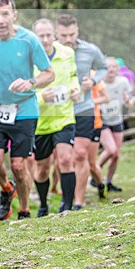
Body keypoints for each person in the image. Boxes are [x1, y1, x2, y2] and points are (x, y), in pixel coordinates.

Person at [0, 0, 54, 221]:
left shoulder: (29, 40)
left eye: (5, 14)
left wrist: (31, 82)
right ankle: (7, 189)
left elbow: (49, 73)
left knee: (18, 165)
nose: (1, 20)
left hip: (24, 109)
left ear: (14, 15)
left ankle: (24, 210)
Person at [55, 14, 108, 207]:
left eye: (71, 34)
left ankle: (78, 202)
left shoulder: (90, 49)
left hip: (85, 108)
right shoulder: (50, 51)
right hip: (61, 110)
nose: (68, 39)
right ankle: (66, 198)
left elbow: (103, 68)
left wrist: (92, 81)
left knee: (79, 154)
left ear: (77, 31)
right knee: (64, 157)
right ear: (56, 33)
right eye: (63, 35)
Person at [30, 19, 80, 216]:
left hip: (64, 116)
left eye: (49, 35)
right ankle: (43, 205)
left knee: (66, 159)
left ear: (54, 35)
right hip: (40, 121)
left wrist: (75, 89)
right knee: (42, 169)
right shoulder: (27, 58)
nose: (45, 39)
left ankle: (67, 206)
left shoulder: (67, 53)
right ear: (35, 37)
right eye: (40, 36)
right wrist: (41, 97)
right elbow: (22, 90)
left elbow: (73, 76)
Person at [96, 57, 132, 192]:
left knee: (116, 155)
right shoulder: (98, 83)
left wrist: (128, 100)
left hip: (117, 120)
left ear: (118, 69)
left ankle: (109, 182)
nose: (111, 70)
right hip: (102, 121)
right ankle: (95, 174)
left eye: (114, 67)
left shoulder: (123, 82)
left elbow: (129, 101)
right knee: (111, 150)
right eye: (108, 67)